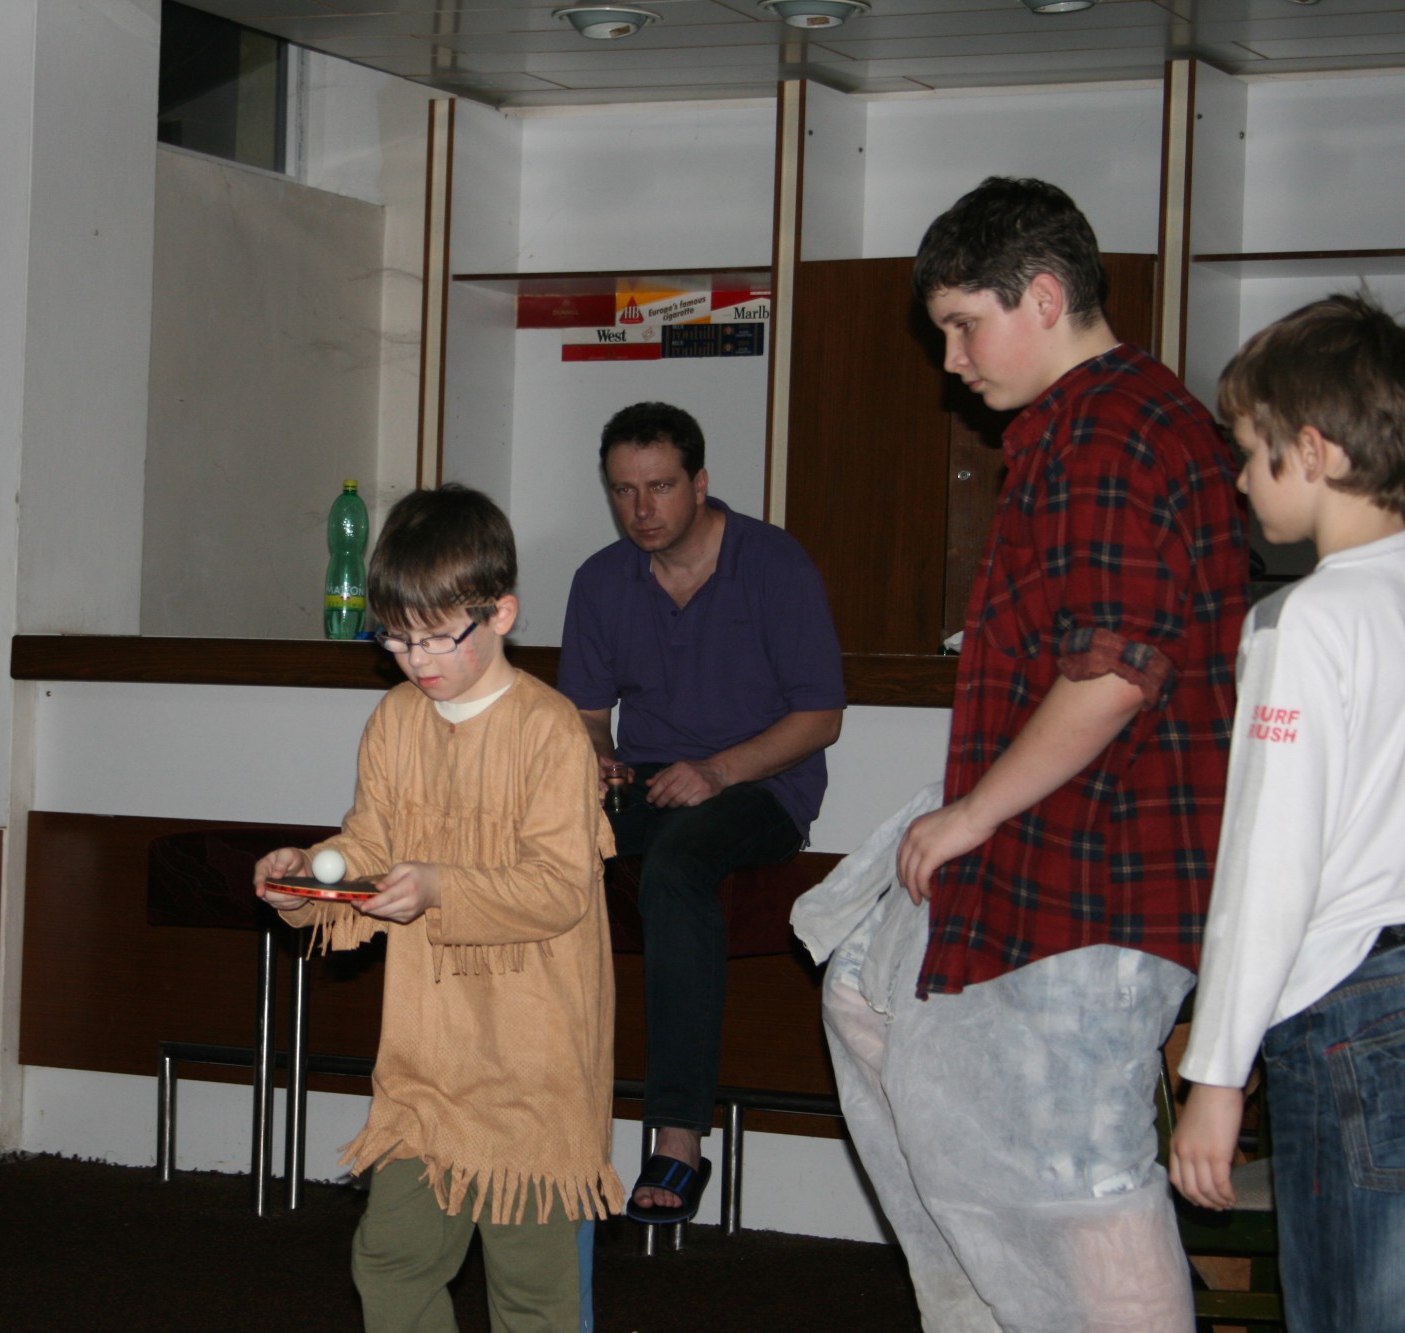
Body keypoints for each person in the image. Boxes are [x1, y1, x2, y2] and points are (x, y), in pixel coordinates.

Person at [820, 177, 1251, 1330]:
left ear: (1045, 296)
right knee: (866, 995)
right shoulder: (1089, 424)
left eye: (964, 325)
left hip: (1107, 864)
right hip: (1064, 846)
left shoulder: (1109, 430)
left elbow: (1115, 667)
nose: (950, 360)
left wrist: (968, 815)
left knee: (1079, 1170)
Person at [252, 484, 620, 1333]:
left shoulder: (550, 731)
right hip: (427, 1065)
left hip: (534, 1067)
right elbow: (368, 848)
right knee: (391, 1261)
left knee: (532, 1291)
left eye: (432, 637)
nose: (414, 659)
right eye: (394, 637)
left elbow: (559, 888)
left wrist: (442, 885)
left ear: (501, 614)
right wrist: (307, 881)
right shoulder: (394, 721)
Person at [1169, 293, 1405, 1331]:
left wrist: (1216, 1075)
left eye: (1247, 451)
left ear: (1312, 451)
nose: (1236, 478)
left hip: (1351, 1009)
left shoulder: (1301, 621)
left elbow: (1268, 863)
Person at [557, 401, 844, 1223]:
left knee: (679, 863)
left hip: (760, 788)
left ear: (700, 483)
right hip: (649, 780)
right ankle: (513, 1105)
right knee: (542, 841)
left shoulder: (774, 564)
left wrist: (718, 771)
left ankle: (677, 1135)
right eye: (623, 491)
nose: (641, 509)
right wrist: (599, 754)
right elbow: (585, 714)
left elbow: (821, 717)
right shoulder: (600, 579)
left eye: (659, 487)